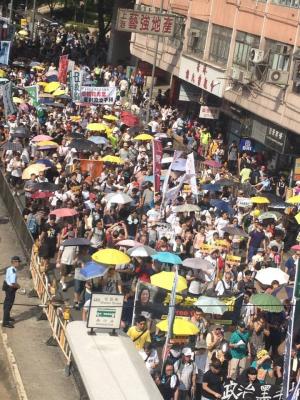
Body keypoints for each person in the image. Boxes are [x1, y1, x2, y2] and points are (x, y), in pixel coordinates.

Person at [2, 256, 21, 328]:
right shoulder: (13, 272)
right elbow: (13, 283)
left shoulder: (9, 269)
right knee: (8, 305)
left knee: (7, 303)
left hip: (6, 285)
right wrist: (18, 286)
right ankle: (5, 322)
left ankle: (7, 317)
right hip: (10, 289)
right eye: (18, 262)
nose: (19, 263)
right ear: (14, 262)